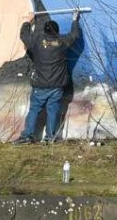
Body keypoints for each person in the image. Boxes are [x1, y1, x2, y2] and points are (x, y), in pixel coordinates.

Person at [14, 10, 82, 144]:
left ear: (45, 31)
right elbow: (74, 35)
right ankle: (50, 137)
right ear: (56, 32)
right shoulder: (61, 42)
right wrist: (75, 20)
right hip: (57, 86)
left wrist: (29, 21)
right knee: (52, 111)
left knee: (34, 110)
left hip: (40, 85)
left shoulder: (37, 41)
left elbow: (24, 35)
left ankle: (27, 136)